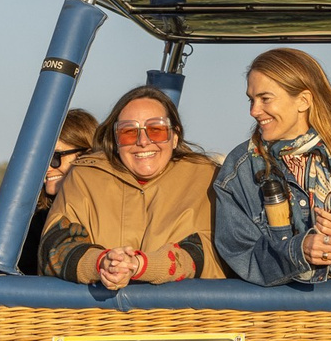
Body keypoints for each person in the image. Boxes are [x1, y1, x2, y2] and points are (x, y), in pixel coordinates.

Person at [211, 49, 331, 285]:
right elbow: (239, 255)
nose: (254, 111)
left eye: (265, 99)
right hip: (279, 314)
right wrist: (299, 251)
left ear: (303, 101)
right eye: (251, 100)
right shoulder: (239, 169)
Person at [40, 90, 223, 287]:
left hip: (181, 314)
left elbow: (209, 250)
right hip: (98, 316)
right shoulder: (85, 176)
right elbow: (56, 245)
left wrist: (142, 265)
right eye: (129, 132)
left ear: (175, 136)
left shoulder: (205, 178)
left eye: (156, 130)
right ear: (116, 140)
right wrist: (102, 263)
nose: (143, 142)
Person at [20, 108, 99, 266]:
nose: (47, 168)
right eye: (42, 159)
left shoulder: (112, 211)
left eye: (56, 157)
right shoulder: (32, 220)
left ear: (88, 156)